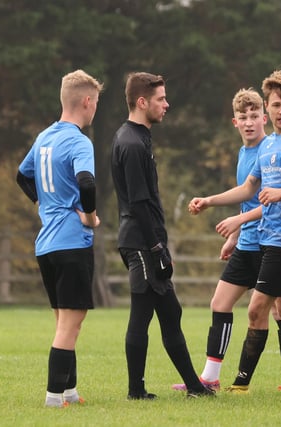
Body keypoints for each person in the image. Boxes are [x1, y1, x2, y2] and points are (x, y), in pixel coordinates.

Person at [188, 69, 281, 393]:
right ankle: (212, 377)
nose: (249, 121)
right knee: (223, 303)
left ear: (264, 115)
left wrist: (239, 222)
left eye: (254, 114)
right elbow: (249, 193)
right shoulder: (251, 153)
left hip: (275, 240)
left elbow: (276, 199)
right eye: (242, 117)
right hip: (250, 240)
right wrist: (221, 215)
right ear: (235, 122)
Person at [110, 72, 215, 400]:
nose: (166, 104)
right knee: (141, 314)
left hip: (146, 240)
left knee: (171, 312)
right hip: (141, 242)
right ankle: (135, 391)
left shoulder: (139, 137)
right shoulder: (130, 142)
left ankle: (195, 388)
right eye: (160, 99)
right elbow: (139, 202)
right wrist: (157, 247)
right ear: (142, 102)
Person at [17, 69, 103, 407]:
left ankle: (70, 391)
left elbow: (22, 176)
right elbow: (87, 183)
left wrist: (44, 205)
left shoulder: (44, 137)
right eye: (95, 102)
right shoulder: (80, 141)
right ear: (86, 101)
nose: (95, 109)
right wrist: (90, 216)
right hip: (71, 243)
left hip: (46, 245)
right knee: (71, 324)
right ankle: (54, 397)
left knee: (64, 322)